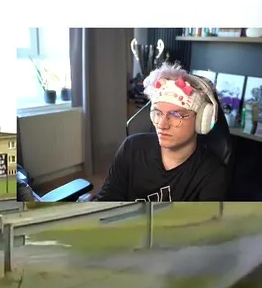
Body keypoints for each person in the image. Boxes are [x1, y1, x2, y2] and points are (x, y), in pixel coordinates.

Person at [94, 62, 228, 201]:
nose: (162, 125)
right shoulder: (132, 148)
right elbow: (106, 201)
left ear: (201, 120)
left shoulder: (212, 174)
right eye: (158, 113)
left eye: (176, 115)